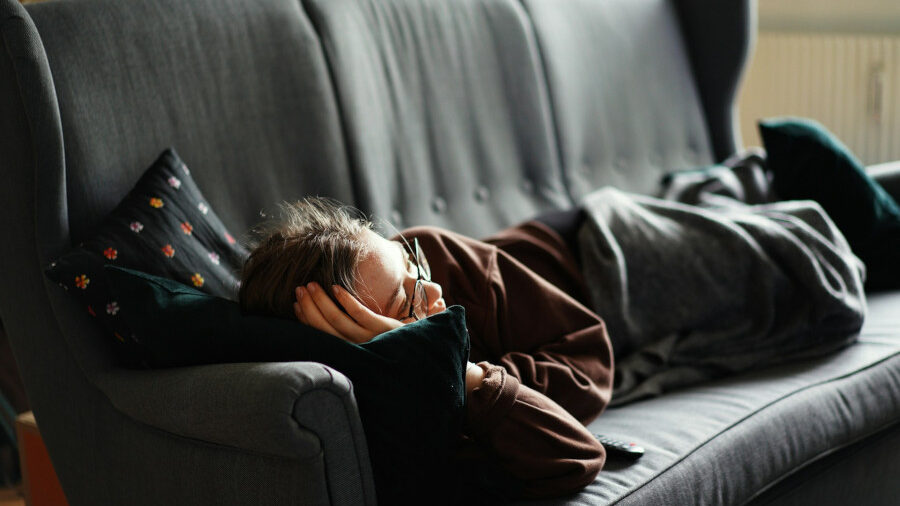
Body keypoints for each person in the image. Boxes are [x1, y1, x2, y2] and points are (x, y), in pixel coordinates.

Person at [238, 197, 614, 499]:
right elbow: (577, 457)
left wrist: (475, 374)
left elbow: (590, 361)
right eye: (406, 303)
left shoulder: (435, 254)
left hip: (597, 245)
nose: (433, 290)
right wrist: (456, 370)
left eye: (410, 263)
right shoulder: (397, 406)